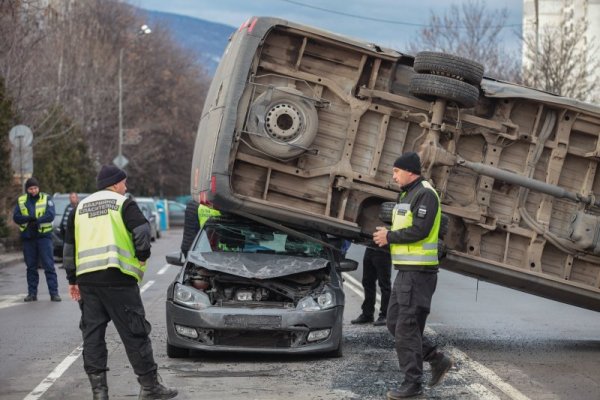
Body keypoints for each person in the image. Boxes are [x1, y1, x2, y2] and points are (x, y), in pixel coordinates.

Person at [63, 165, 177, 400]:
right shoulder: (122, 203)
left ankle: (99, 393)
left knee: (92, 337)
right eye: (124, 183)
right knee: (135, 333)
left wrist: (72, 279)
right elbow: (143, 230)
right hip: (118, 280)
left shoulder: (79, 208)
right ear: (115, 184)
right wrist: (142, 256)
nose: (126, 188)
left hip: (88, 283)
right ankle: (150, 387)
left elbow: (69, 248)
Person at [372, 152, 453, 399]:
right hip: (406, 271)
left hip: (419, 273)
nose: (393, 176)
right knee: (394, 323)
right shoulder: (407, 193)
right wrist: (388, 233)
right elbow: (405, 227)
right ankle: (436, 359)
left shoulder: (425, 193)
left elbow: (420, 230)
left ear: (409, 171)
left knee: (406, 327)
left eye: (396, 171)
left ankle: (412, 384)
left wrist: (390, 237)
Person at [13, 177, 61, 302]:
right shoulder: (21, 200)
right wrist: (29, 219)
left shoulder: (46, 198)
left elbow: (50, 215)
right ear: (27, 189)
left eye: (35, 188)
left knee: (49, 265)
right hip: (28, 238)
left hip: (43, 237)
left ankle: (54, 293)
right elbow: (16, 217)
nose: (33, 190)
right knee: (31, 267)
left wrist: (37, 221)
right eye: (30, 188)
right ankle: (32, 294)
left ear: (38, 188)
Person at [350, 245, 391, 326]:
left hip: (383, 248)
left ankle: (385, 315)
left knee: (384, 284)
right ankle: (367, 314)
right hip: (370, 247)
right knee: (367, 281)